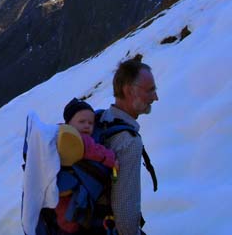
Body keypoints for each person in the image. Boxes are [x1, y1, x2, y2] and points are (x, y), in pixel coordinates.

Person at [100, 55, 158, 235]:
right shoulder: (128, 142)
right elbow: (125, 218)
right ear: (128, 91)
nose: (155, 97)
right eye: (150, 90)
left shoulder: (100, 120)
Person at [55, 98, 118, 233]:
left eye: (91, 123)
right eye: (82, 122)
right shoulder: (80, 138)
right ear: (69, 123)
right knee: (68, 213)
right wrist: (112, 160)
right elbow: (96, 152)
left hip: (60, 185)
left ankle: (67, 227)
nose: (87, 126)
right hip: (68, 186)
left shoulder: (57, 134)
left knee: (62, 210)